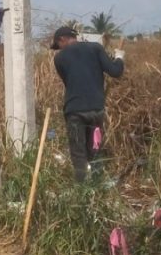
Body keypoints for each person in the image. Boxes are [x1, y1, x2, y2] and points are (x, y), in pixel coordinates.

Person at [50, 27, 124, 182]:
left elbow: (68, 83)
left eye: (58, 44)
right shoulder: (95, 48)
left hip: (75, 111)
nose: (59, 49)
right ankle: (97, 185)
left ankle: (81, 190)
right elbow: (115, 72)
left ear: (62, 39)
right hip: (96, 110)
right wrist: (119, 58)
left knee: (78, 153)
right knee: (95, 148)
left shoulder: (59, 59)